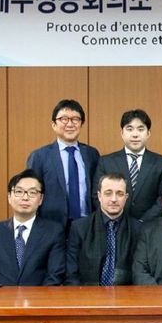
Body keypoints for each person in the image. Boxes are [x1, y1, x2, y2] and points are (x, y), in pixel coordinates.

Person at [27, 99, 100, 230]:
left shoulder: (92, 154)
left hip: (87, 225)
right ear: (54, 124)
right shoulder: (39, 156)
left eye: (75, 119)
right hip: (51, 227)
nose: (70, 124)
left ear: (81, 124)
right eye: (64, 119)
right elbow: (31, 193)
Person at [0, 169, 65, 285]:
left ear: (41, 199)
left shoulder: (53, 232)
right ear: (9, 197)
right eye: (19, 191)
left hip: (40, 295)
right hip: (1, 295)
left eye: (32, 192)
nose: (25, 197)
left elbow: (54, 276)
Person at [94, 109, 162, 222]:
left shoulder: (161, 163)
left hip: (150, 225)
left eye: (141, 129)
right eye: (129, 129)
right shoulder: (106, 162)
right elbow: (97, 195)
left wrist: (142, 222)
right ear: (122, 133)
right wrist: (116, 219)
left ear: (148, 133)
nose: (135, 134)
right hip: (115, 224)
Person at [66, 173, 141, 286]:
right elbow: (71, 274)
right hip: (86, 293)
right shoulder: (79, 228)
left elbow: (139, 272)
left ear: (126, 197)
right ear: (99, 196)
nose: (114, 199)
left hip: (126, 294)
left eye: (119, 194)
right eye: (108, 193)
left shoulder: (138, 230)